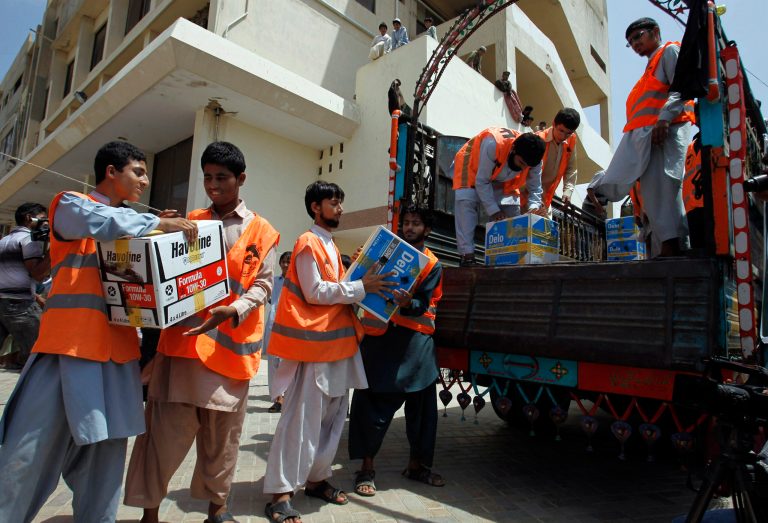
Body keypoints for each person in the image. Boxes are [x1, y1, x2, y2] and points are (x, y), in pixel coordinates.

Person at [0, 141, 197, 522]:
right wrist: (157, 223)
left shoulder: (133, 225)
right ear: (111, 172)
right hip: (65, 353)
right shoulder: (70, 204)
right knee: (25, 460)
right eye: (138, 172)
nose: (145, 180)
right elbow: (100, 221)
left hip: (117, 359)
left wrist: (165, 234)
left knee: (103, 470)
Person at [124, 141, 279, 523]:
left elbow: (264, 285)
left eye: (222, 178)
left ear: (241, 179)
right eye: (208, 177)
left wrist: (235, 309)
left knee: (222, 441)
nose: (213, 185)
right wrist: (157, 230)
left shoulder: (263, 231)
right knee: (161, 438)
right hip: (182, 350)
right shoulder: (189, 219)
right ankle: (150, 514)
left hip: (231, 357)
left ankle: (218, 509)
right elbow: (161, 273)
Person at [262, 181, 396, 523]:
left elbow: (334, 293)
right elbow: (315, 291)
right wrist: (360, 287)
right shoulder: (308, 242)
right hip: (314, 348)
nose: (339, 208)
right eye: (332, 203)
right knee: (301, 423)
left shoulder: (331, 245)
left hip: (336, 346)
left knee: (332, 421)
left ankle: (317, 480)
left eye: (340, 202)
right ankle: (279, 494)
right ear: (314, 207)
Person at [349, 206, 444, 497]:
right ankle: (366, 469)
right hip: (379, 341)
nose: (409, 228)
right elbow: (356, 283)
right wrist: (358, 266)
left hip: (416, 345)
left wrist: (406, 303)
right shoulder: (380, 251)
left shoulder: (432, 264)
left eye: (416, 224)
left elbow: (424, 303)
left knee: (423, 411)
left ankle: (417, 467)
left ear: (427, 230)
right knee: (371, 408)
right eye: (406, 223)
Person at [587, 17, 694, 257]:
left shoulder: (669, 51)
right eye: (630, 42)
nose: (635, 44)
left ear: (655, 32)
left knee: (665, 187)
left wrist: (665, 118)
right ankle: (664, 247)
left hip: (666, 132)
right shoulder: (648, 69)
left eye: (638, 37)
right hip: (650, 137)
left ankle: (672, 247)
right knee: (653, 191)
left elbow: (682, 87)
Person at [452, 129, 546, 266]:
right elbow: (482, 181)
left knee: (512, 212)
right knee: (466, 200)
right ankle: (467, 256)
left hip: (503, 175)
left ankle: (507, 258)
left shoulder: (535, 160)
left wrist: (533, 209)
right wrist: (494, 210)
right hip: (473, 165)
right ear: (513, 149)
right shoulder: (493, 143)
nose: (522, 168)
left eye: (527, 166)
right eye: (521, 163)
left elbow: (535, 188)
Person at [0, 202, 50, 370]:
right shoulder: (29, 239)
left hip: (2, 304)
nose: (46, 223)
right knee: (40, 356)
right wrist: (53, 253)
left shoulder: (4, 241)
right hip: (21, 305)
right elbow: (36, 273)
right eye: (43, 219)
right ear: (30, 218)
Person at [519, 108, 580, 215]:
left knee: (546, 231)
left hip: (545, 201)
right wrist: (534, 201)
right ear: (553, 124)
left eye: (568, 133)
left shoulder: (571, 141)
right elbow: (525, 175)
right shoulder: (538, 139)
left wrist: (568, 191)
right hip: (525, 198)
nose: (563, 136)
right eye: (561, 130)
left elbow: (571, 169)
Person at [264, 250, 291, 413]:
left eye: (289, 261)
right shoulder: (274, 282)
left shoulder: (299, 282)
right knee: (273, 365)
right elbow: (268, 298)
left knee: (286, 365)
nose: (286, 264)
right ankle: (277, 399)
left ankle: (288, 397)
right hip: (273, 327)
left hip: (290, 330)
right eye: (283, 261)